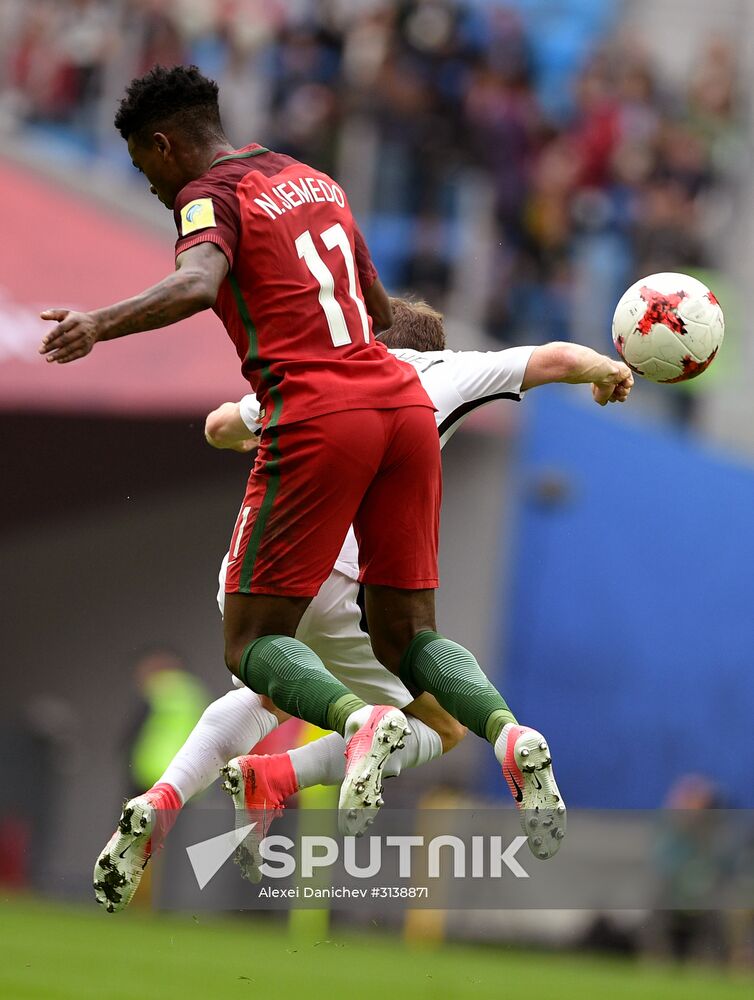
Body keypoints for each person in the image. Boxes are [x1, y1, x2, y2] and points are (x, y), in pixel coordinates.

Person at [94, 298, 633, 909]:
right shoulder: (445, 373)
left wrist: (249, 434)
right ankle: (474, 737)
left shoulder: (316, 366)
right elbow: (557, 359)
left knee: (258, 675)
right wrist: (607, 371)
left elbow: (219, 425)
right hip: (359, 584)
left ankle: (168, 800)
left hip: (277, 563)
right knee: (440, 722)